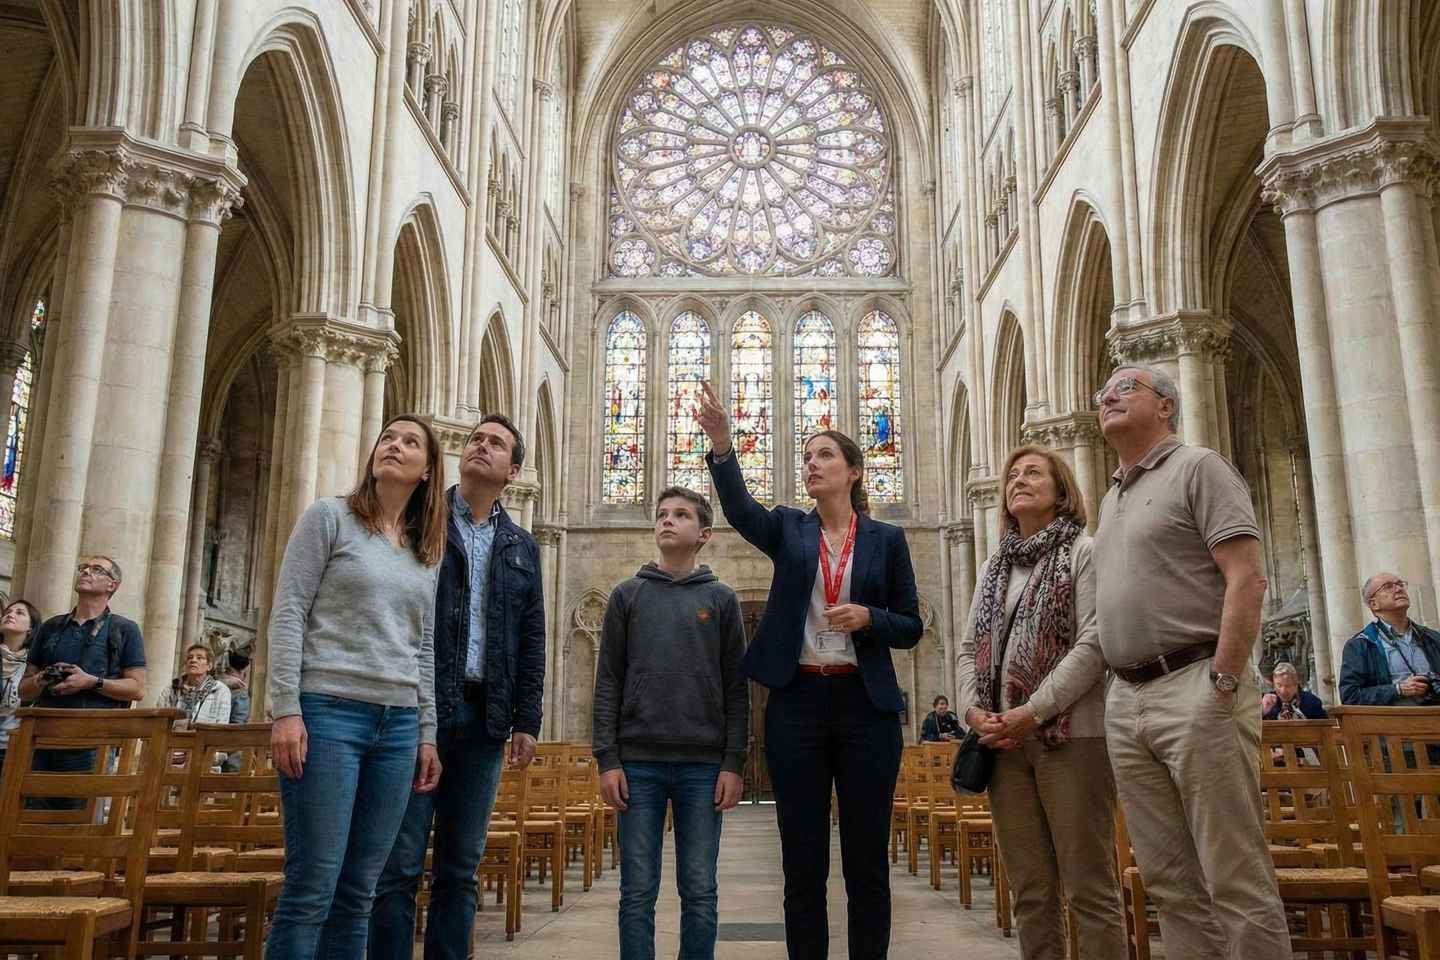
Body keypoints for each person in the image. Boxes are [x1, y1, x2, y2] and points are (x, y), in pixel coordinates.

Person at [696, 380, 922, 960]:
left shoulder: (887, 540)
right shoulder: (790, 529)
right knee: (802, 862)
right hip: (796, 704)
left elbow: (912, 625)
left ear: (853, 471)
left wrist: (870, 616)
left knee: (866, 861)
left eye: (824, 454)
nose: (811, 464)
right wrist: (723, 446)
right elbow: (741, 510)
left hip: (865, 706)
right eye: (807, 457)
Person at [1092, 364, 1291, 960]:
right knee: (1170, 882)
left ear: (1167, 406)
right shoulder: (1110, 496)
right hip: (1128, 698)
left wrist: (1224, 680)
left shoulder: (1199, 468)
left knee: (1234, 873)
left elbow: (1247, 578)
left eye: (1126, 388)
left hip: (1194, 683)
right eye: (1103, 393)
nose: (1108, 397)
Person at [265, 415, 447, 959]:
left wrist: (426, 731)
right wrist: (285, 709)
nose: (394, 445)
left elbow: (424, 647)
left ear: (428, 469)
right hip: (328, 714)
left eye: (410, 441)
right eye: (388, 437)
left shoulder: (424, 548)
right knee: (311, 887)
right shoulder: (329, 517)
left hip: (396, 725)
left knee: (359, 892)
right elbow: (289, 611)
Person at [370, 414, 547, 960]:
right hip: (418, 707)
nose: (480, 447)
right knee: (398, 865)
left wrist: (527, 719)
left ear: (513, 469)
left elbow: (532, 634)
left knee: (459, 868)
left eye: (495, 444)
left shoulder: (521, 545)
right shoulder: (422, 521)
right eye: (475, 439)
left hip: (485, 717)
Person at [954, 444, 1125, 959]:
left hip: (1070, 738)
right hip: (1003, 745)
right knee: (1030, 889)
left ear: (1061, 490)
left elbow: (1094, 645)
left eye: (1033, 472)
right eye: (1012, 475)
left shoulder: (1083, 552)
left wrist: (1033, 712)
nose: (1019, 480)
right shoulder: (993, 568)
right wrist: (972, 711)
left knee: (1089, 888)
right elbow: (968, 650)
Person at [592, 485, 748, 960]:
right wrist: (607, 758)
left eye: (680, 515)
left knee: (699, 890)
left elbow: (737, 688)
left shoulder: (721, 600)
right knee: (636, 891)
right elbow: (609, 681)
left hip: (703, 766)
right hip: (638, 762)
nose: (667, 520)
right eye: (662, 514)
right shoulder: (627, 595)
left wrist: (733, 762)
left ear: (704, 534)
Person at [18, 555, 146, 809]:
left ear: (113, 585)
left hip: (92, 743)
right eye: (83, 568)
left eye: (97, 569)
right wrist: (43, 678)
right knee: (29, 820)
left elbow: (137, 688)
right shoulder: (51, 627)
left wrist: (92, 682)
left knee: (81, 823)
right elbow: (24, 690)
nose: (86, 571)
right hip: (43, 738)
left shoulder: (124, 629)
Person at [1339, 573, 1440, 705]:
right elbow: (1350, 696)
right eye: (1388, 586)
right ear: (1374, 604)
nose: (1399, 589)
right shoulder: (1361, 644)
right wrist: (1398, 689)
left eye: (1400, 584)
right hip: (1392, 722)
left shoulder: (1432, 637)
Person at [0, 598, 40, 774]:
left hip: (15, 748)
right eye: (7, 612)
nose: (10, 614)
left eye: (19, 612)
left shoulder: (34, 664)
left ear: (30, 628)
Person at [158, 644, 232, 726]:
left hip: (205, 737)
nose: (193, 660)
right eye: (190, 658)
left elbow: (222, 724)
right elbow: (160, 720)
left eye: (199, 658)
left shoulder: (220, 691)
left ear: (209, 666)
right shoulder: (171, 690)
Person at [1262, 662, 1328, 720]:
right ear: (1274, 684)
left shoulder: (1312, 702)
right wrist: (1262, 712)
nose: (1283, 691)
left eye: (1287, 686)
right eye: (1279, 685)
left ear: (1295, 685)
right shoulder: (1268, 701)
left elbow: (1325, 728)